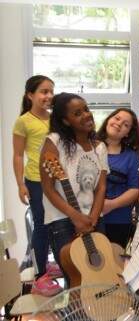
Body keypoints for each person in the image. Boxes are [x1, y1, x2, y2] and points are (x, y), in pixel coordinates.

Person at [40, 93, 108, 283]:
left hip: (93, 219)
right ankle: (76, 313)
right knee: (76, 279)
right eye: (77, 113)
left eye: (86, 109)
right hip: (62, 219)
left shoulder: (100, 147)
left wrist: (93, 218)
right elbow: (48, 188)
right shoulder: (54, 141)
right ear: (66, 121)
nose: (86, 115)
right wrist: (76, 216)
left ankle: (102, 313)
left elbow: (101, 187)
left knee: (100, 275)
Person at [12, 75, 61, 295]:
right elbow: (18, 155)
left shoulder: (55, 119)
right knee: (40, 226)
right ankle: (41, 275)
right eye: (43, 91)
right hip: (35, 181)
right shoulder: (24, 121)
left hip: (56, 180)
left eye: (51, 91)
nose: (48, 96)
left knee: (56, 224)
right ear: (30, 95)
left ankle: (49, 264)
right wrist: (20, 185)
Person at [96, 108, 139, 248]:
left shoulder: (131, 157)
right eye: (117, 118)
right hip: (86, 217)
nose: (119, 123)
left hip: (119, 220)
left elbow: (135, 189)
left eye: (126, 124)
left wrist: (110, 205)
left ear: (128, 134)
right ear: (109, 119)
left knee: (114, 264)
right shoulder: (87, 147)